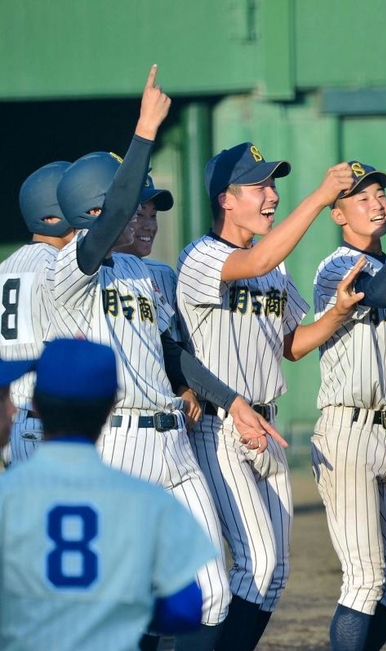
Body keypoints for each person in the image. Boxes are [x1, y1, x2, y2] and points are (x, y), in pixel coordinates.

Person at [51, 66, 278, 651]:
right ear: (96, 210)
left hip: (174, 443)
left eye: (151, 206)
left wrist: (232, 402)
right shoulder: (73, 269)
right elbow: (109, 217)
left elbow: (175, 354)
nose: (147, 214)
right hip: (118, 444)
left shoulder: (149, 274)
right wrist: (146, 129)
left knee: (209, 594)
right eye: (137, 204)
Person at [176, 139, 357, 650]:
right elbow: (254, 263)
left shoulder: (271, 264)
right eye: (258, 186)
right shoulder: (201, 256)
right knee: (255, 562)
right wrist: (321, 196)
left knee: (274, 576)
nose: (271, 194)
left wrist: (337, 314)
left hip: (268, 424)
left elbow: (291, 345)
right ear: (225, 199)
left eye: (273, 184)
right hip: (221, 424)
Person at [0, 338, 218, 651]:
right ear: (111, 407)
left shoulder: (6, 497)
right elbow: (186, 608)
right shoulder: (148, 502)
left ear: (34, 403)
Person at [311, 160, 386, 649]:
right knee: (364, 579)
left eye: (380, 194)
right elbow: (376, 295)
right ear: (339, 214)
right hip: (347, 429)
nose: (376, 202)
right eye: (361, 198)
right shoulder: (336, 266)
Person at [1, 161, 74, 464]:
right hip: (46, 421)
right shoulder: (60, 267)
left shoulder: (5, 268)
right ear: (53, 214)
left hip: (10, 417)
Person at [112, 173, 183, 341]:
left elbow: (174, 344)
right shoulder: (92, 273)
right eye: (139, 215)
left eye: (153, 216)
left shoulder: (165, 274)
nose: (149, 226)